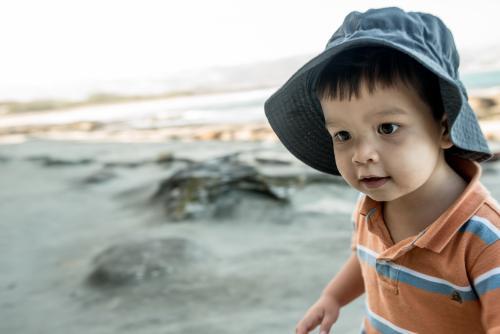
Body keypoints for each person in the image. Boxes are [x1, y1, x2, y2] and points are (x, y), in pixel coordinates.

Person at [264, 7, 500, 334]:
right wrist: (332, 296)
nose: (362, 155)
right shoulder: (369, 209)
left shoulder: (485, 239)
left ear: (444, 128)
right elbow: (368, 260)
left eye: (388, 128)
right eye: (343, 135)